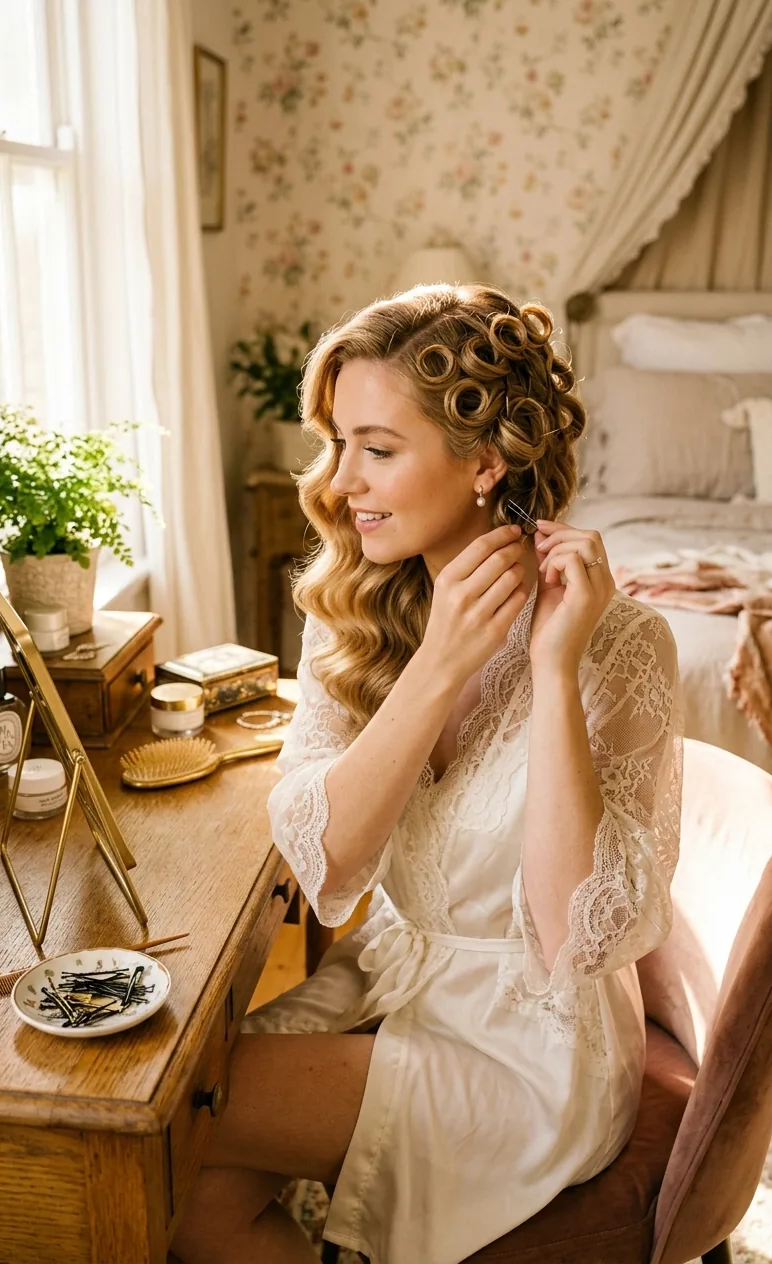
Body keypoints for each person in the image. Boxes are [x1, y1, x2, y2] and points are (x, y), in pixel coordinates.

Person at [171, 285, 684, 1264]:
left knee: (181, 1119)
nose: (333, 483)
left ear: (483, 461)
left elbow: (570, 931)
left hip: (532, 1052)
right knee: (187, 1175)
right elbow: (326, 865)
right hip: (396, 985)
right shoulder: (348, 605)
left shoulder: (616, 642)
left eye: (374, 447)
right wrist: (439, 659)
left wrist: (550, 666)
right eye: (333, 443)